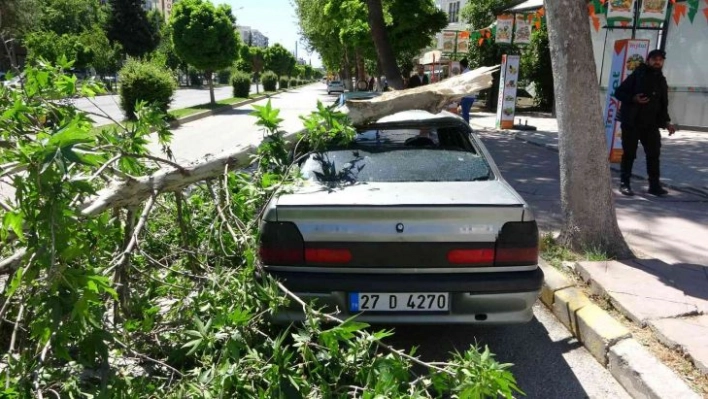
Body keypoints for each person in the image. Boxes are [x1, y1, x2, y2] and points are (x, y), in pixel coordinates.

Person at [614, 49, 676, 196]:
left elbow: (663, 105)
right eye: (654, 59)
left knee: (653, 155)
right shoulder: (638, 75)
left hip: (651, 125)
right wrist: (634, 98)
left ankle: (654, 186)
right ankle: (625, 184)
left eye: (660, 59)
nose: (657, 61)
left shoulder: (661, 80)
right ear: (648, 60)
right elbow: (619, 92)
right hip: (632, 123)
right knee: (629, 154)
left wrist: (667, 122)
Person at [458, 58, 476, 123]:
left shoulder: (464, 74)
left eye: (460, 65)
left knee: (465, 114)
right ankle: (466, 127)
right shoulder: (471, 72)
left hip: (466, 97)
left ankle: (467, 129)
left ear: (461, 65)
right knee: (466, 113)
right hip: (472, 96)